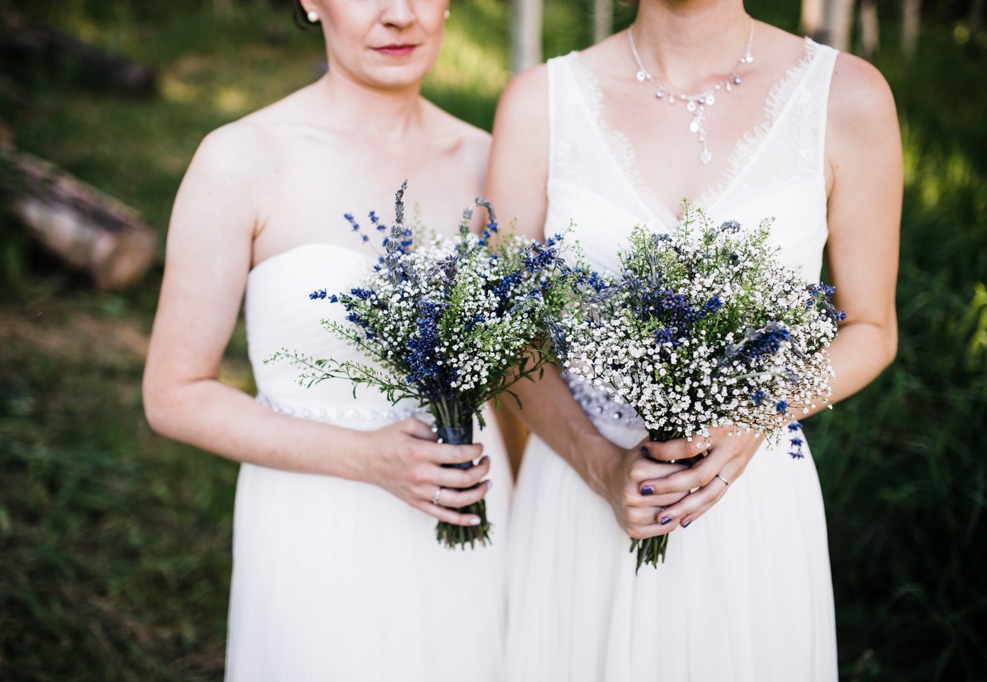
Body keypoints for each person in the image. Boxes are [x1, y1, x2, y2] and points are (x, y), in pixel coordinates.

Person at [487, 0, 901, 679]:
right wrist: (601, 467)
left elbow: (872, 329)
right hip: (576, 499)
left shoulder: (847, 95)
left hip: (746, 504)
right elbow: (508, 338)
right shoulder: (540, 103)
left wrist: (754, 416)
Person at [142, 1, 511, 679]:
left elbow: (522, 383)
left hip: (476, 519)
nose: (399, 16)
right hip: (317, 527)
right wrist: (367, 459)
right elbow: (174, 394)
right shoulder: (241, 159)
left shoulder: (492, 162)